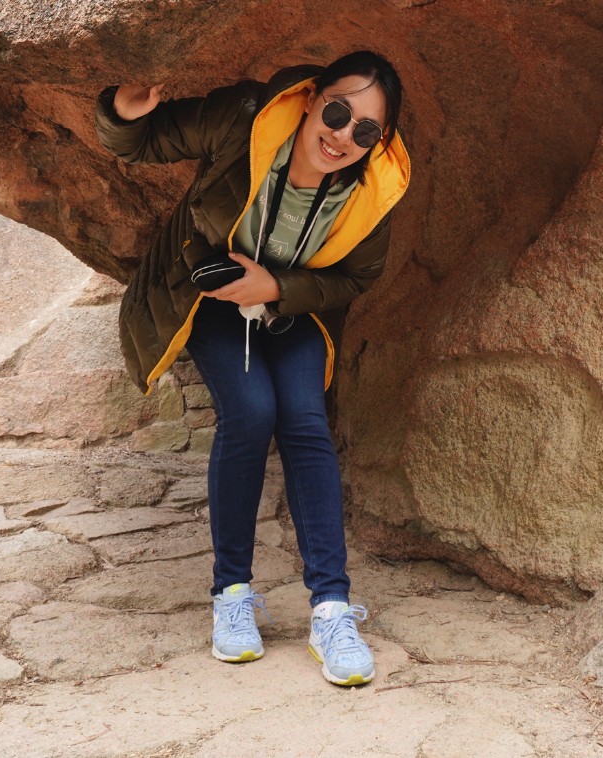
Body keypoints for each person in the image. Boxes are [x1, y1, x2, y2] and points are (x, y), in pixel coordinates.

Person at [95, 51, 410, 687]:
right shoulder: (247, 119)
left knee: (303, 419)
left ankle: (331, 607)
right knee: (251, 412)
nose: (343, 136)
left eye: (365, 130)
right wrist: (125, 110)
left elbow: (355, 276)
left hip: (293, 308)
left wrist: (275, 287)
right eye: (339, 112)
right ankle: (232, 597)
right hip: (209, 298)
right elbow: (143, 141)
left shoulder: (373, 190)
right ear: (315, 97)